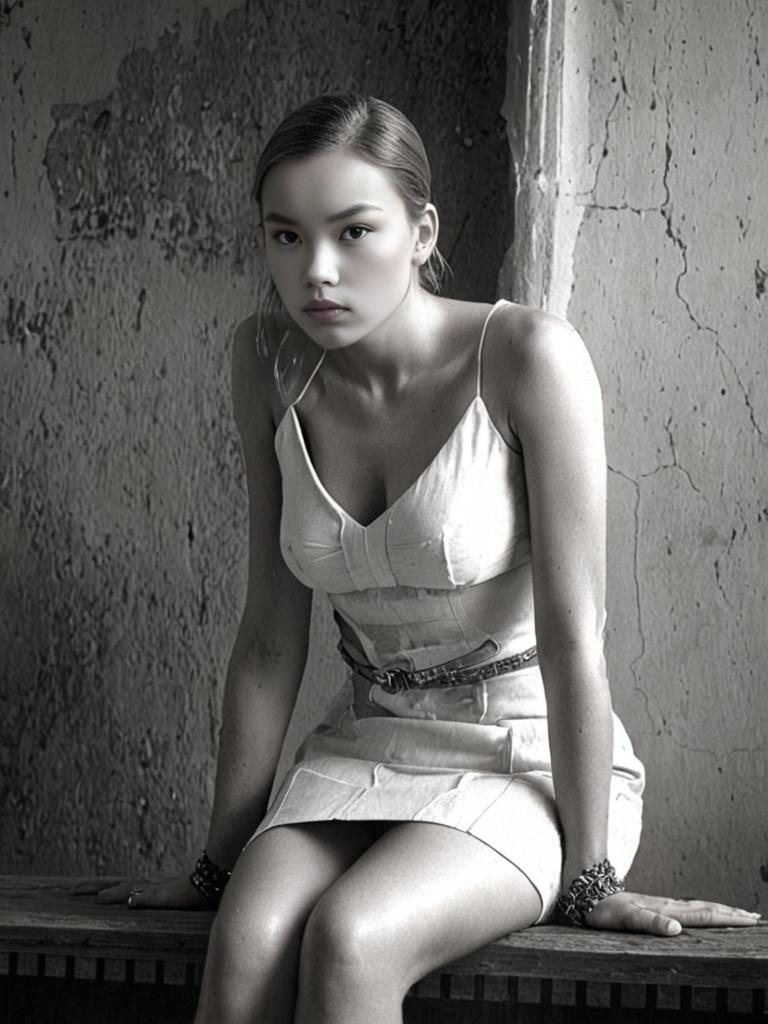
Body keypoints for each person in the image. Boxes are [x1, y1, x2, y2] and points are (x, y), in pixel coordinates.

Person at [75, 94, 761, 1024]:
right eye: (285, 236)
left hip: (523, 759)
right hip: (362, 745)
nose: (316, 272)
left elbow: (574, 637)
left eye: (354, 231)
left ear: (421, 229)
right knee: (242, 949)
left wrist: (590, 872)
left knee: (353, 938)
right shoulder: (268, 359)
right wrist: (216, 864)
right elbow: (271, 642)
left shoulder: (527, 356)